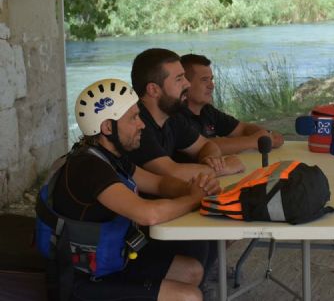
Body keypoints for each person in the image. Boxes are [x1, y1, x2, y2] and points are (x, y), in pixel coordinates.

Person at [44, 78, 219, 300]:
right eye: (133, 118)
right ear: (108, 127)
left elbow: (158, 183)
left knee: (192, 270)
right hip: (82, 280)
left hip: (111, 260)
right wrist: (194, 199)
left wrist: (191, 187)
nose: (142, 124)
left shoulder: (111, 157)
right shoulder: (89, 167)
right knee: (188, 296)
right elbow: (148, 214)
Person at [128, 48, 245, 178]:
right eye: (179, 79)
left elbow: (206, 144)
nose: (187, 84)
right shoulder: (135, 124)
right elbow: (172, 172)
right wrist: (224, 168)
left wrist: (211, 159)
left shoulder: (171, 117)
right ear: (153, 90)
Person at [180, 53, 285, 155]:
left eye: (211, 79)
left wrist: (267, 135)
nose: (211, 86)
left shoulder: (207, 111)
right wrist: (255, 141)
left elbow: (242, 129)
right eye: (204, 80)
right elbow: (204, 146)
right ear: (184, 84)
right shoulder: (176, 116)